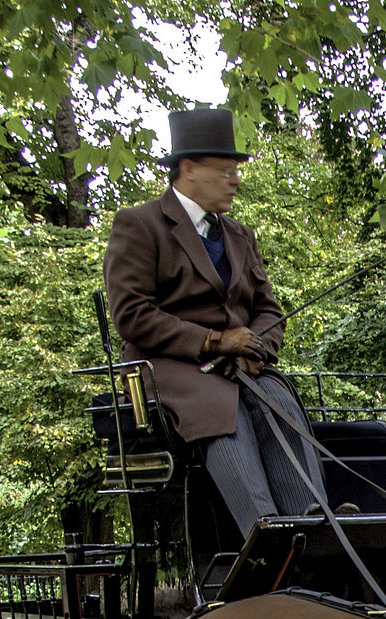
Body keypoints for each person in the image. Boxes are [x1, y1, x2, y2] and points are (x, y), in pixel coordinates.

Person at [103, 108, 333, 539]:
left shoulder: (240, 236)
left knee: (278, 402)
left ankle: (317, 529)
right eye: (226, 171)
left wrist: (254, 345)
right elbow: (132, 314)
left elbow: (268, 309)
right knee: (218, 409)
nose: (236, 181)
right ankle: (264, 536)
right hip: (170, 367)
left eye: (236, 171)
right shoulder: (141, 225)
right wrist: (213, 341)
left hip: (240, 366)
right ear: (188, 169)